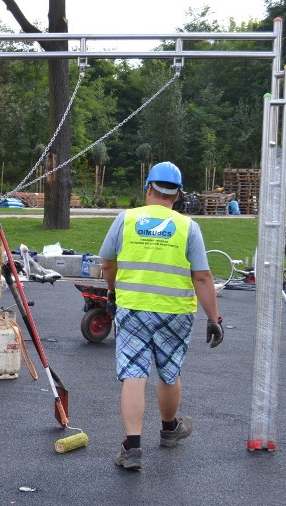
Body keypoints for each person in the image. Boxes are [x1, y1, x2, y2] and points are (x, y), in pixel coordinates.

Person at [99, 161, 224, 471]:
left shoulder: (126, 220)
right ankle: (169, 429)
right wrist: (214, 318)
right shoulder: (187, 227)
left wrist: (113, 291)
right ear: (178, 195)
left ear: (148, 188)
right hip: (175, 313)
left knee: (134, 373)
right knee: (169, 372)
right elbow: (203, 277)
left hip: (134, 309)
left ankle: (132, 448)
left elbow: (108, 262)